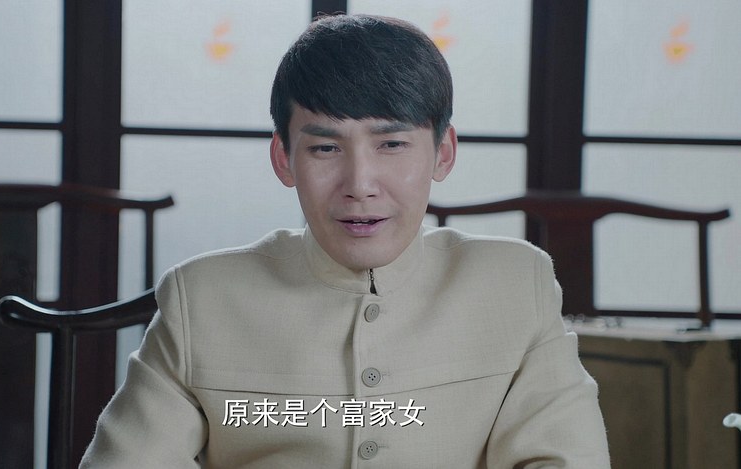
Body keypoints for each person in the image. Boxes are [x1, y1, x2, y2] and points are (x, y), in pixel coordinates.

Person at [80, 14, 609, 468]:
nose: (359, 184)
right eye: (325, 148)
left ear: (443, 153)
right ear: (284, 158)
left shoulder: (514, 285)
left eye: (392, 144)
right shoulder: (202, 298)